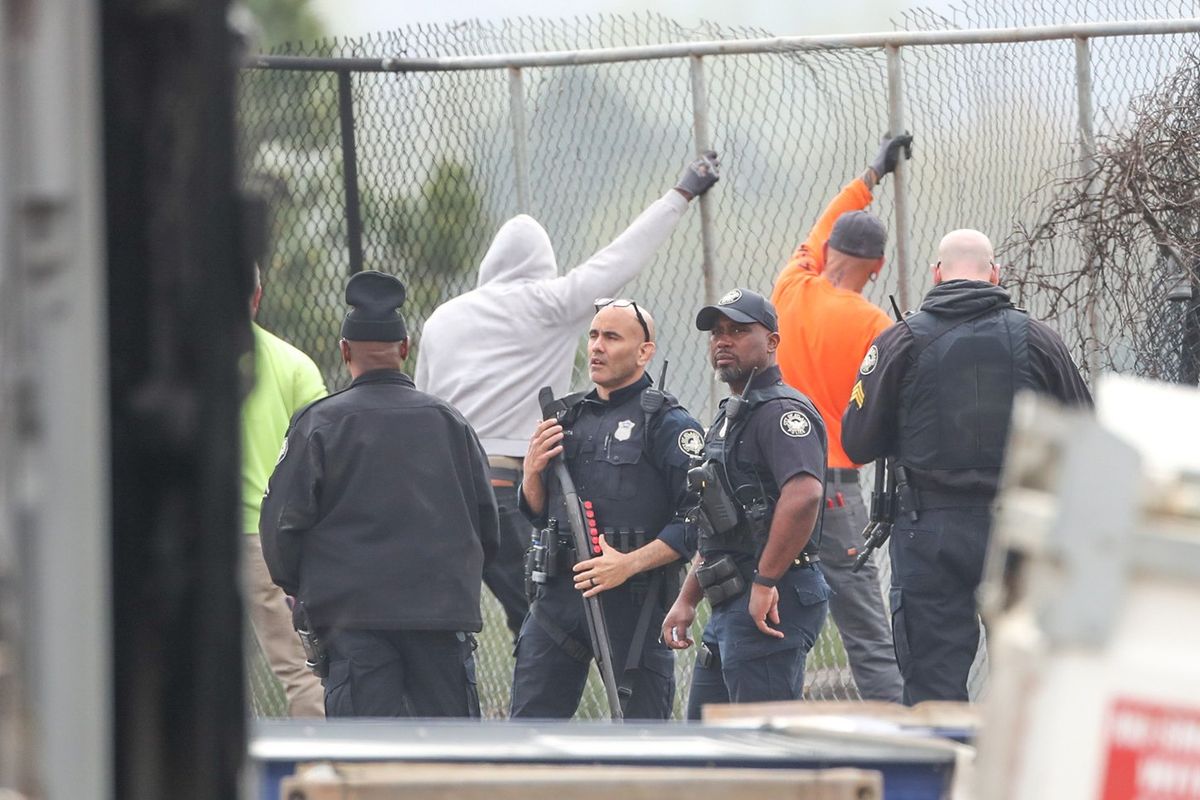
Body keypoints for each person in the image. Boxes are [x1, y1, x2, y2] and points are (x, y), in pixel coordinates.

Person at [415, 151, 720, 641]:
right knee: (540, 625)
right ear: (544, 264)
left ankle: (462, 717)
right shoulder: (551, 303)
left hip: (443, 490)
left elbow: (424, 407)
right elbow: (621, 256)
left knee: (448, 630)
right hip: (507, 485)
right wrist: (682, 192)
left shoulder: (442, 318)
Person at [842, 229, 1092, 705]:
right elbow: (1084, 434)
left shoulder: (899, 342)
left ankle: (945, 775)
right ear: (994, 272)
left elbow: (857, 441)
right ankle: (1022, 778)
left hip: (927, 530)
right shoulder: (1040, 341)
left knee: (934, 689)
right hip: (1019, 529)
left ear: (936, 273)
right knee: (1025, 686)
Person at [260, 270, 499, 718]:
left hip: (353, 623)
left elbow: (281, 527)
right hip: (441, 623)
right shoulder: (449, 422)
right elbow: (488, 524)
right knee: (450, 764)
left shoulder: (320, 425)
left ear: (344, 351)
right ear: (405, 350)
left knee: (364, 760)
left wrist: (306, 588)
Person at [769, 133, 913, 703]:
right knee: (866, 631)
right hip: (832, 487)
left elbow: (830, 218)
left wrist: (871, 174)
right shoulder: (875, 324)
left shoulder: (791, 285)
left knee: (761, 607)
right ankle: (901, 745)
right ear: (876, 268)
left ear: (827, 251)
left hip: (772, 479)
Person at [510, 299, 704, 719]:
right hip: (557, 598)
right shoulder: (568, 416)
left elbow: (697, 519)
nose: (597, 346)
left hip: (631, 604)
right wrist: (530, 472)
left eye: (612, 337)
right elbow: (538, 511)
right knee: (528, 735)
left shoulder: (668, 423)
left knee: (642, 737)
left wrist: (630, 563)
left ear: (644, 351)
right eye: (594, 335)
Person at [662, 289, 831, 718]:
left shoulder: (779, 412)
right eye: (717, 332)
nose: (723, 341)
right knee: (706, 747)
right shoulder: (732, 414)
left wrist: (766, 582)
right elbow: (720, 521)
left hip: (772, 599)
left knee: (761, 749)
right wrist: (687, 597)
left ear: (772, 341)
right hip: (731, 599)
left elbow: (804, 493)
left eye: (738, 331)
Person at [241, 266, 328, 717]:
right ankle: (314, 771)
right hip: (270, 542)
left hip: (190, 539)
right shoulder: (293, 364)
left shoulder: (177, 364)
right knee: (300, 669)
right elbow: (325, 455)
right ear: (257, 296)